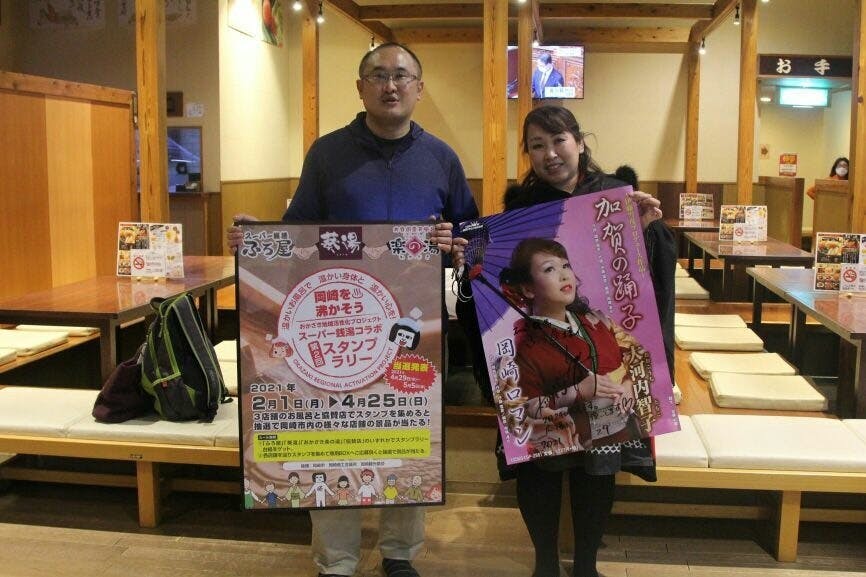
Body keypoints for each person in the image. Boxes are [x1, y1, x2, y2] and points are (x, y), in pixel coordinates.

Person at [227, 42, 478, 577]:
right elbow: (298, 230)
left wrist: (455, 242)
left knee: (408, 431)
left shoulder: (441, 158)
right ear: (361, 87)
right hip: (335, 323)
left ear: (419, 88)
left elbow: (471, 234)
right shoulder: (327, 153)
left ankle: (399, 554)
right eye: (379, 75)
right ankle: (336, 560)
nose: (391, 85)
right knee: (330, 437)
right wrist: (257, 240)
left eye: (402, 76)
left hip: (413, 325)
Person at [457, 105, 674, 577]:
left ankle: (587, 565)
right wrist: (468, 258)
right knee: (538, 466)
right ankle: (545, 564)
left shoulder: (614, 197)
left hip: (600, 358)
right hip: (540, 357)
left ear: (578, 141)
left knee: (600, 464)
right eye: (537, 145)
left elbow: (644, 282)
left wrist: (646, 231)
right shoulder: (518, 212)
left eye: (558, 141)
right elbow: (488, 283)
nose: (550, 154)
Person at [497, 238, 645, 458]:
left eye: (566, 265)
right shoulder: (524, 347)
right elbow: (521, 410)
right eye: (550, 269)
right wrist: (577, 392)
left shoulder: (597, 320)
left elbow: (638, 355)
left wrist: (629, 385)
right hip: (571, 446)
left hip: (625, 432)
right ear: (528, 289)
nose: (564, 275)